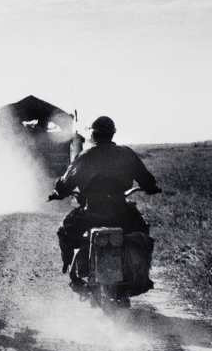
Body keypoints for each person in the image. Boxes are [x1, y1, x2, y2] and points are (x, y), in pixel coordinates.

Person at [49, 116, 161, 276]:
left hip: (92, 211)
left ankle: (68, 266)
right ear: (112, 134)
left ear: (93, 135)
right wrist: (151, 188)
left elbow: (65, 183)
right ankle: (142, 273)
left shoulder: (85, 156)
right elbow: (146, 179)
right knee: (142, 232)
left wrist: (58, 193)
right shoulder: (126, 154)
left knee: (65, 231)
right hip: (121, 211)